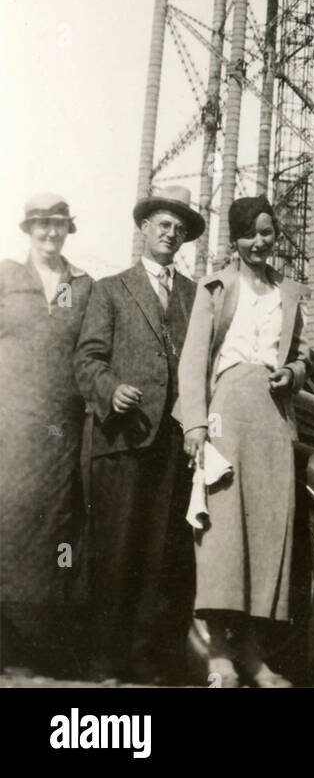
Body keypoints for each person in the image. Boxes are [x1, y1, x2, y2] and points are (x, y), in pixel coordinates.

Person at [177, 195, 309, 689]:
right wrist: (194, 425)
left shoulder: (290, 293)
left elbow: (302, 357)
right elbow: (193, 360)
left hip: (274, 419)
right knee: (221, 536)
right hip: (226, 415)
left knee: (266, 536)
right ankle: (219, 657)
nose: (259, 242)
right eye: (250, 234)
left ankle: (255, 658)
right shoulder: (216, 287)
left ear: (277, 237)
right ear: (234, 238)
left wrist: (292, 374)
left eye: (267, 233)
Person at [74, 185, 202, 682]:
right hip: (124, 441)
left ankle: (148, 661)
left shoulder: (195, 295)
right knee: (115, 552)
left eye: (179, 229)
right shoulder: (111, 289)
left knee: (161, 555)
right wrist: (111, 391)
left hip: (173, 445)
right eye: (163, 225)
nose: (171, 234)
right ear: (144, 229)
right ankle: (104, 660)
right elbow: (87, 360)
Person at [0, 194, 93, 676]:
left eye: (59, 225)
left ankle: (42, 646)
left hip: (61, 433)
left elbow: (94, 352)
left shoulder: (83, 286)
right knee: (8, 524)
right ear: (28, 229)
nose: (50, 234)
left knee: (56, 535)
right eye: (42, 225)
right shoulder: (6, 278)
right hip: (9, 427)